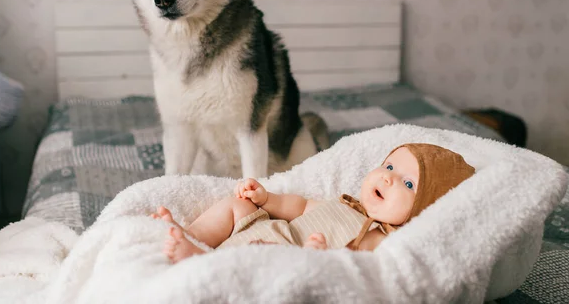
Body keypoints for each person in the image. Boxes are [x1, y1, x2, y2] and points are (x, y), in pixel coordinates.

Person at [150, 143, 475, 263]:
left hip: (286, 259)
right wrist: (266, 198)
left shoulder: (384, 239)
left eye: (407, 183)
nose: (388, 178)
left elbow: (365, 276)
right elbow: (300, 207)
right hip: (269, 230)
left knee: (282, 269)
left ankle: (197, 261)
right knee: (237, 206)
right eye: (389, 166)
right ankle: (192, 235)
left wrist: (322, 264)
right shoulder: (344, 204)